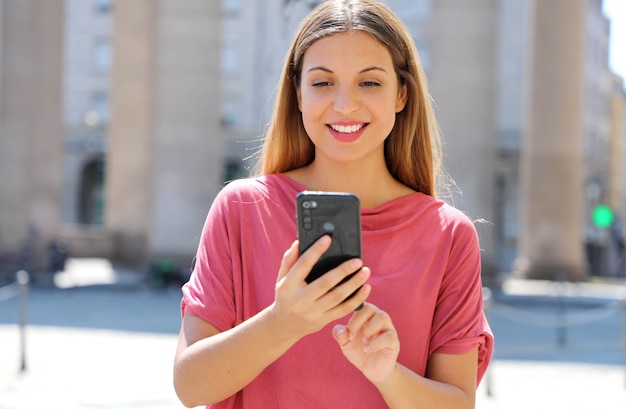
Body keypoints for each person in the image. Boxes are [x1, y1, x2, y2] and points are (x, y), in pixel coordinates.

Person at [174, 1, 493, 408]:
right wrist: (282, 323)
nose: (344, 105)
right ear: (298, 95)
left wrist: (388, 375)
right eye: (323, 83)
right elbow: (190, 386)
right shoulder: (241, 209)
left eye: (370, 83)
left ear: (402, 94)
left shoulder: (449, 235)